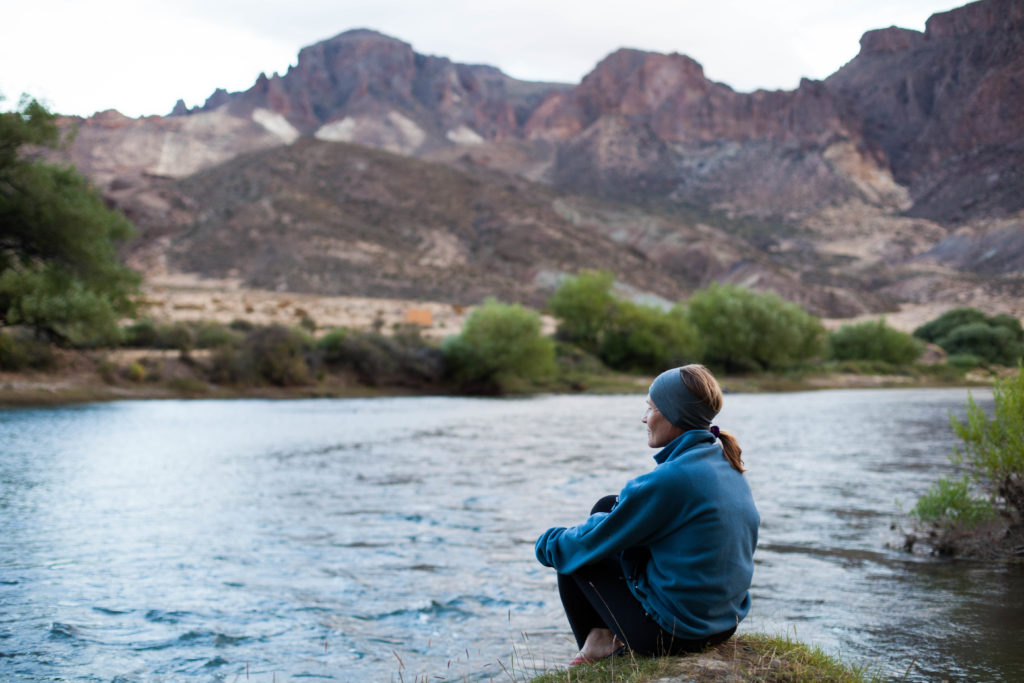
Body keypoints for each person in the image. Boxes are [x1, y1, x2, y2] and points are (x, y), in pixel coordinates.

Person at [535, 364, 759, 665]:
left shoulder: (671, 479)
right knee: (607, 506)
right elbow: (620, 516)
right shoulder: (722, 461)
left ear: (674, 414)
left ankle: (602, 647)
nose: (644, 417)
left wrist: (546, 543)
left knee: (572, 554)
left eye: (650, 408)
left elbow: (582, 545)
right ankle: (603, 636)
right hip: (722, 625)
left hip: (674, 635)